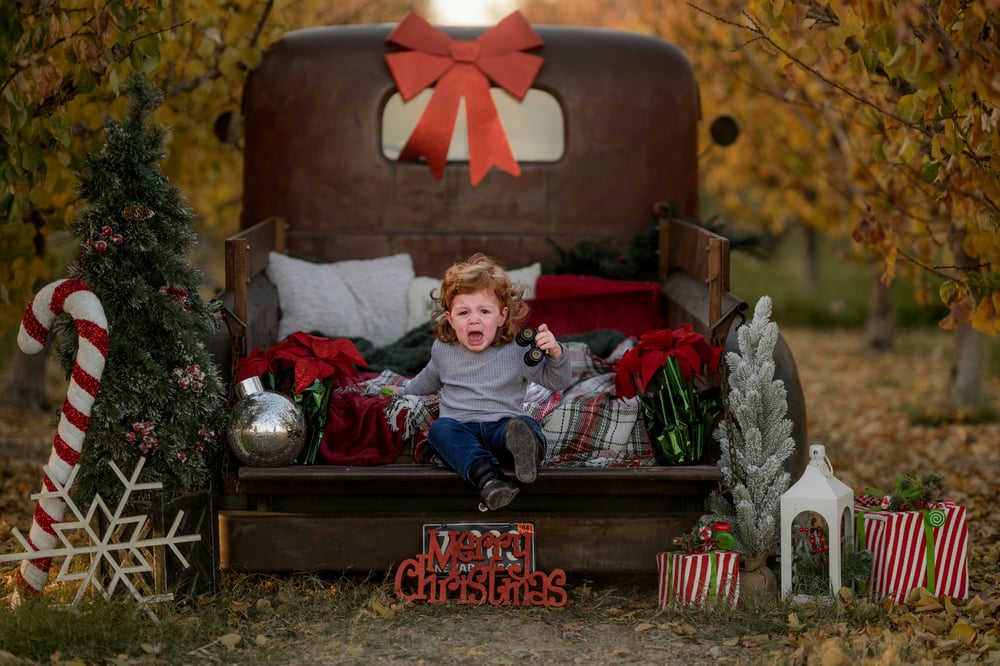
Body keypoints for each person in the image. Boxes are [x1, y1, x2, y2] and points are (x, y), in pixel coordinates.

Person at [389, 253, 572, 510]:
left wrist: (556, 353)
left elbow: (557, 381)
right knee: (440, 431)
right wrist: (402, 391)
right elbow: (428, 379)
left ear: (501, 316)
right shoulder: (443, 349)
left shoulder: (518, 350)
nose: (474, 319)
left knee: (525, 425)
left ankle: (528, 454)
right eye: (464, 312)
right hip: (462, 428)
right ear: (450, 319)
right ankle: (489, 481)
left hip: (504, 427)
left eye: (484, 311)